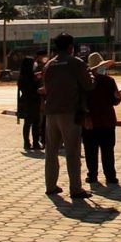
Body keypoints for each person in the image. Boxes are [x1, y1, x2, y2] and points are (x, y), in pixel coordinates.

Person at [43, 33, 95, 198]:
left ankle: (51, 185)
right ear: (70, 47)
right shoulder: (76, 63)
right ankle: (75, 188)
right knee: (72, 152)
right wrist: (92, 75)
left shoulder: (49, 65)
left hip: (51, 113)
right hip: (69, 113)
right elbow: (88, 85)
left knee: (51, 151)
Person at [82, 52, 121, 184]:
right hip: (102, 121)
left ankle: (95, 175)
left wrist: (117, 97)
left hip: (96, 122)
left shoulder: (90, 81)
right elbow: (114, 101)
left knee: (94, 151)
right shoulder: (104, 81)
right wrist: (117, 98)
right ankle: (108, 176)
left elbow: (114, 100)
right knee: (104, 151)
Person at [17, 56, 43, 151]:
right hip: (33, 101)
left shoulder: (22, 76)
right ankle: (35, 143)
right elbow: (33, 87)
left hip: (25, 101)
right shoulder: (31, 78)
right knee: (35, 123)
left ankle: (27, 143)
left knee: (27, 123)